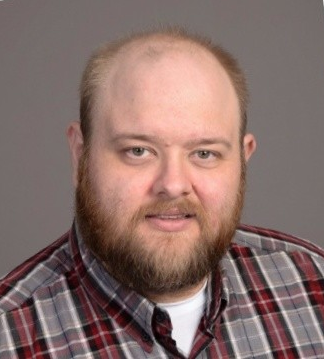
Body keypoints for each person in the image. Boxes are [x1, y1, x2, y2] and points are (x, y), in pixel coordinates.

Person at [0, 27, 323, 359]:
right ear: (80, 154)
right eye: (139, 150)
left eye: (204, 153)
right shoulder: (9, 335)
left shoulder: (315, 284)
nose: (172, 184)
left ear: (243, 160)